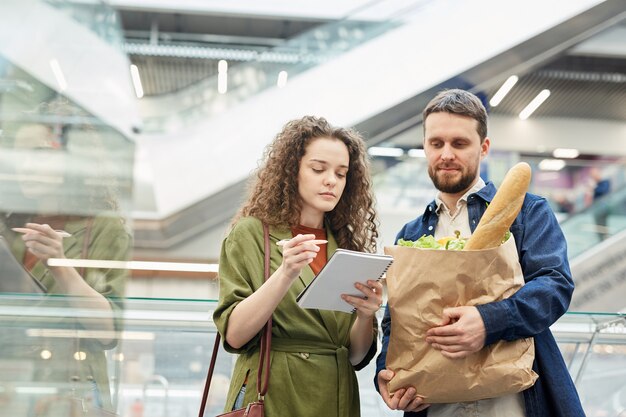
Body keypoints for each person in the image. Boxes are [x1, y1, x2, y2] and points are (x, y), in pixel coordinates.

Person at [375, 89, 585, 417]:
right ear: (425, 147)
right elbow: (396, 321)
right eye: (436, 143)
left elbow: (555, 286)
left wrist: (488, 322)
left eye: (459, 143)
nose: (446, 154)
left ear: (483, 148)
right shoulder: (410, 234)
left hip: (514, 402)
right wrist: (385, 375)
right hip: (437, 405)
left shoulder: (526, 212)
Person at [213, 115, 381, 417]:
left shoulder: (347, 247)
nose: (330, 180)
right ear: (293, 171)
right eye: (318, 169)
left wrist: (366, 316)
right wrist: (286, 273)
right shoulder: (252, 234)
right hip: (273, 392)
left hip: (336, 394)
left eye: (341, 174)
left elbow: (356, 357)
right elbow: (235, 335)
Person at [0, 117, 131, 413]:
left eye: (39, 153)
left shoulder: (102, 230)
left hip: (70, 386)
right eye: (19, 155)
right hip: (10, 385)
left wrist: (60, 266)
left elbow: (108, 331)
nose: (26, 166)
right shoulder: (7, 227)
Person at [588, 166, 611, 241]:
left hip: (604, 209)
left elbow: (603, 191)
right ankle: (602, 239)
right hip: (597, 210)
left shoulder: (605, 182)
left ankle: (605, 237)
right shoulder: (596, 185)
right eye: (592, 175)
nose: (594, 177)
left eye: (595, 174)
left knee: (604, 226)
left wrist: (593, 188)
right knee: (599, 227)